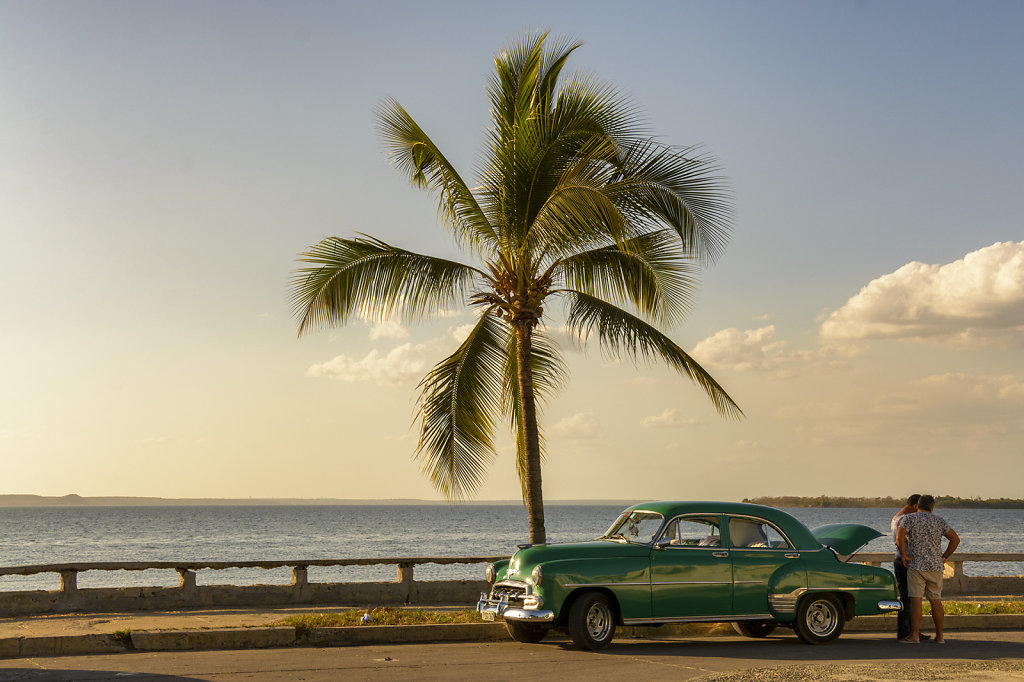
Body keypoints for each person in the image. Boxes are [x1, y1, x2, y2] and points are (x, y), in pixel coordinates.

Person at [896, 494, 960, 643]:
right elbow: (955, 539)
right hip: (935, 566)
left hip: (916, 565)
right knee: (936, 600)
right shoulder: (939, 521)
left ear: (917, 506)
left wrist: (904, 556)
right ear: (932, 507)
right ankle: (940, 636)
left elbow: (900, 538)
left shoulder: (909, 519)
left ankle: (915, 635)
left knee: (916, 600)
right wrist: (945, 556)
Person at [891, 494, 930, 641]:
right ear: (915, 507)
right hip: (904, 561)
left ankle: (911, 629)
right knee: (908, 597)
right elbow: (898, 539)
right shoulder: (903, 520)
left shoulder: (897, 517)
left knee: (909, 597)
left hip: (902, 559)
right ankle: (905, 631)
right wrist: (904, 555)